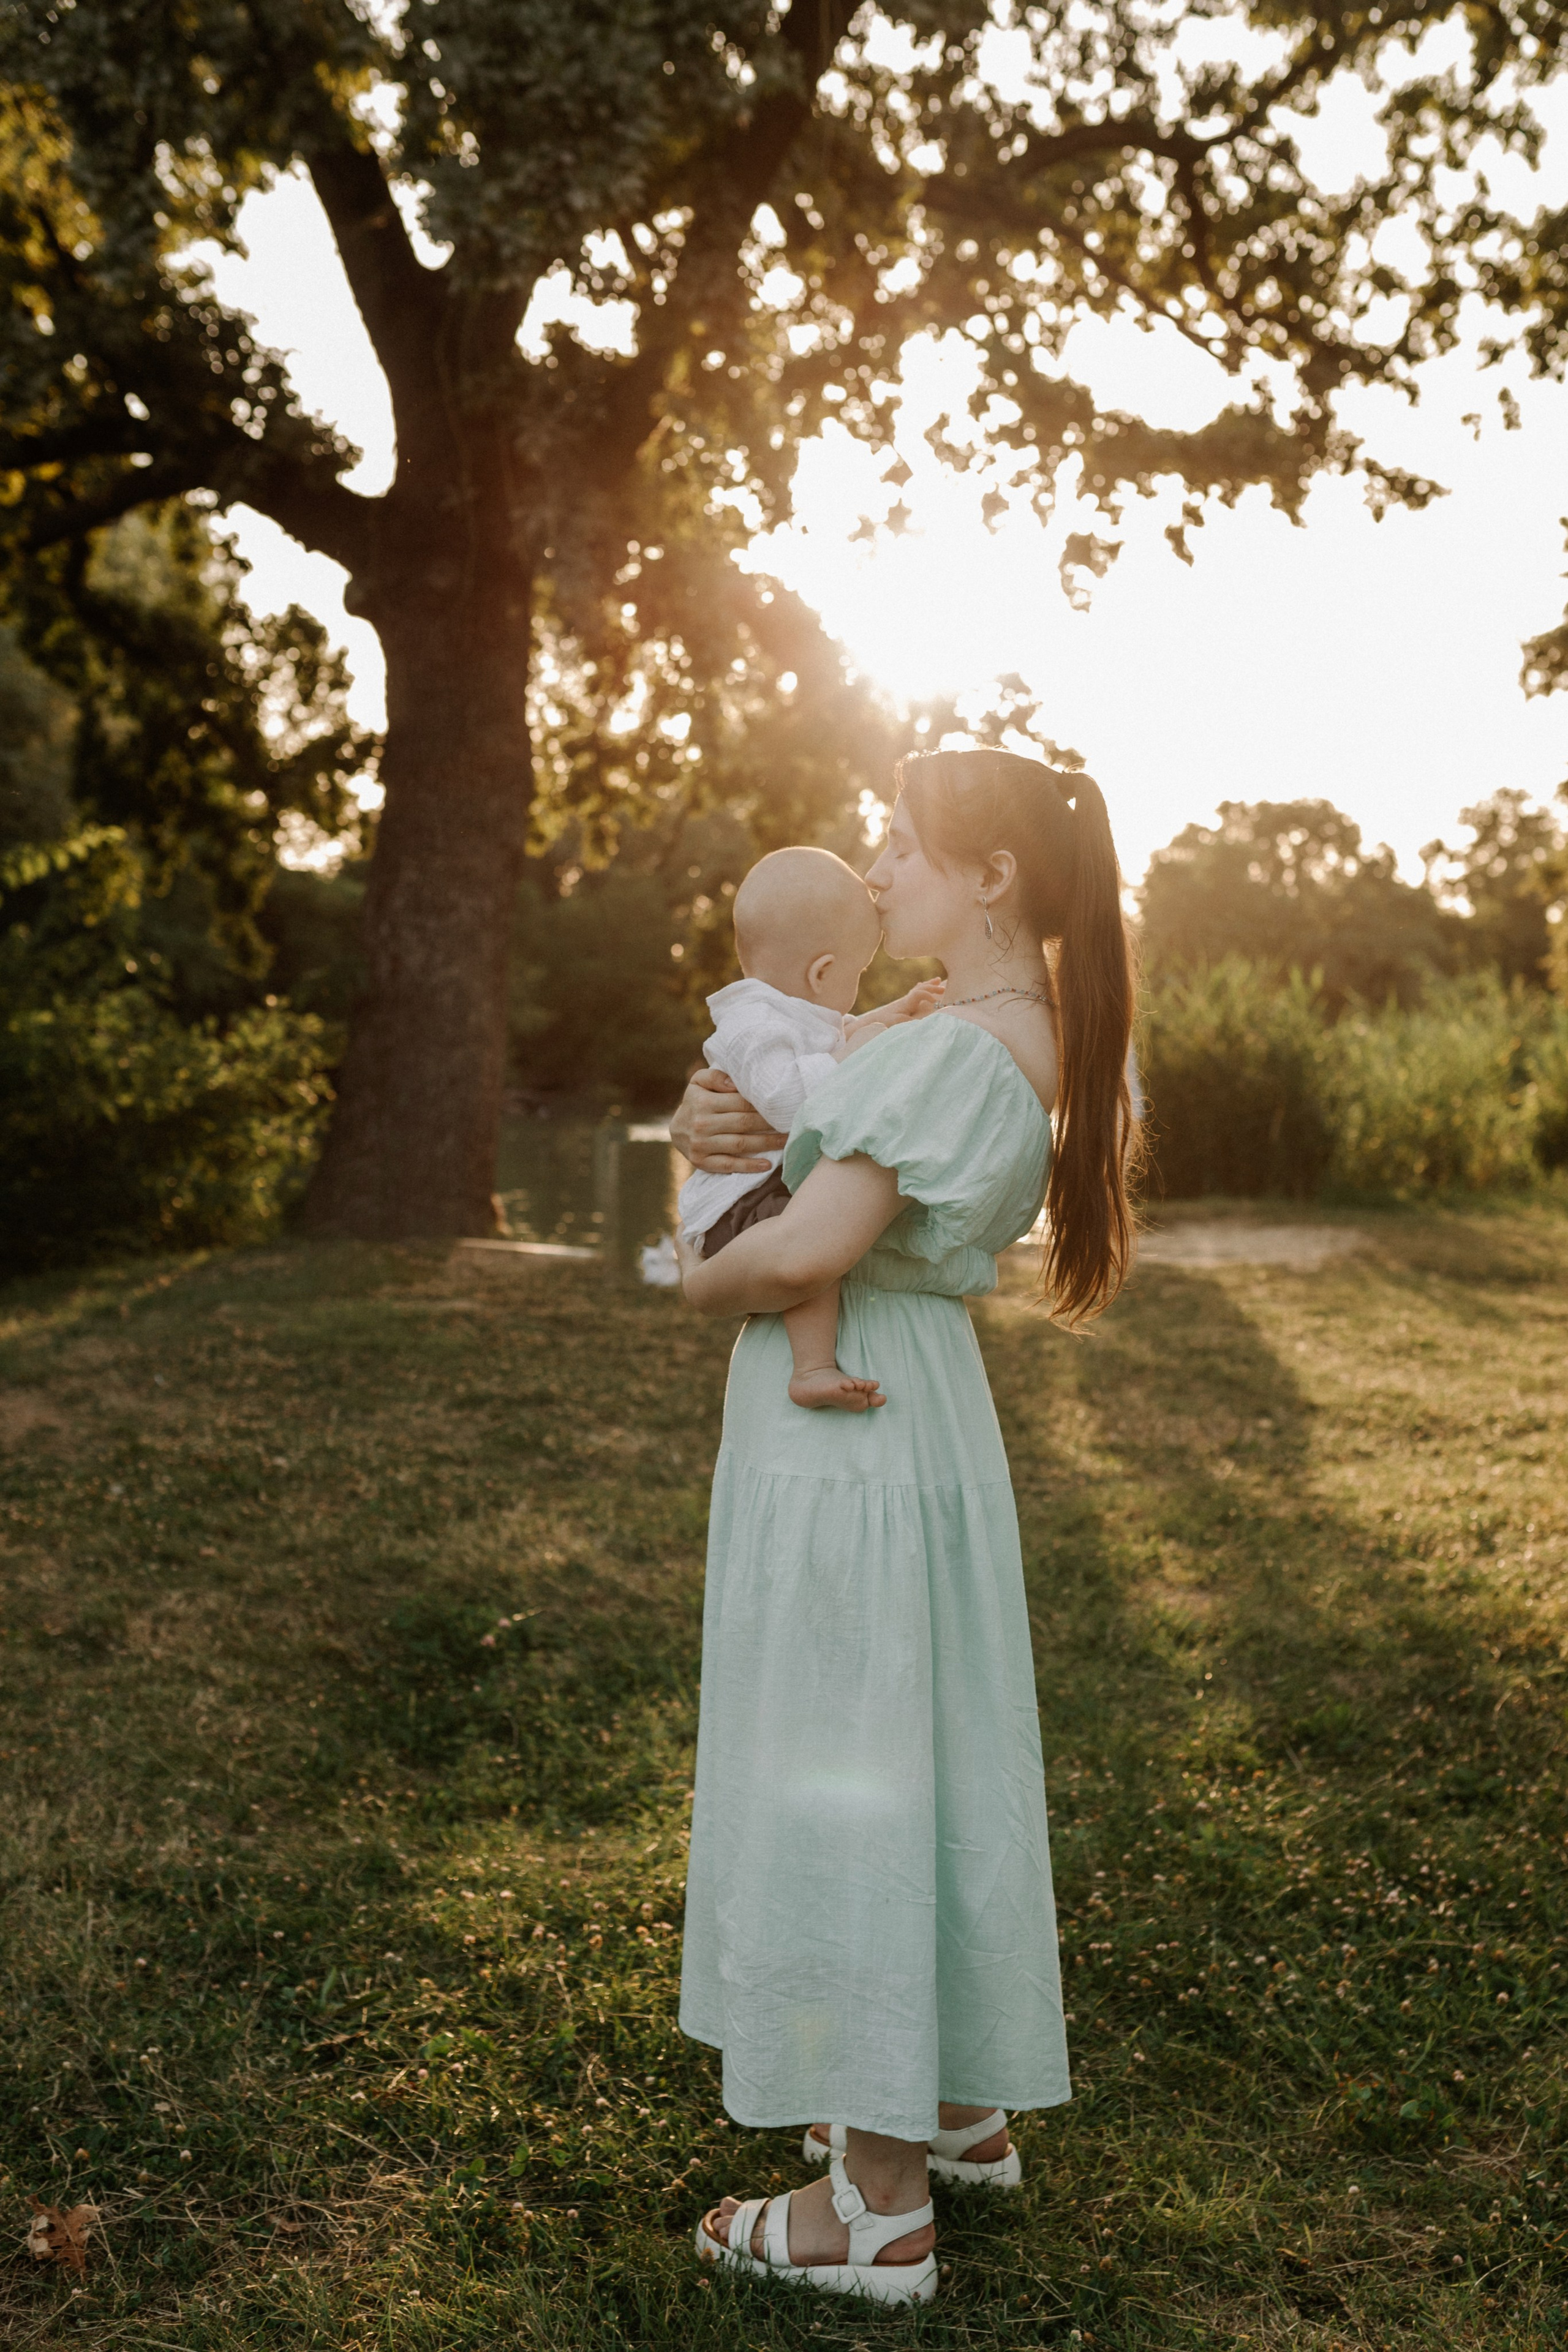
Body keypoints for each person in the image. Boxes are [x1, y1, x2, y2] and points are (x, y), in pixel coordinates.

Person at [670, 747, 1139, 2306]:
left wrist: (691, 1250)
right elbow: (793, 1130)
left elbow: (806, 1239)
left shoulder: (948, 1053)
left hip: (851, 1419)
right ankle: (948, 2103)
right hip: (912, 1404)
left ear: (990, 876)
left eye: (901, 840)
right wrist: (720, 1123)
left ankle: (869, 2206)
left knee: (846, 1764)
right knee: (910, 1742)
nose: (875, 868)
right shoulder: (1025, 1030)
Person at [676, 844, 942, 1411]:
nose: (857, 987)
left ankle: (812, 1360)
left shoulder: (795, 1012)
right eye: (859, 974)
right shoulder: (751, 1026)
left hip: (762, 1188)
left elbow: (843, 1034)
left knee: (807, 1219)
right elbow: (788, 1100)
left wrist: (895, 1012)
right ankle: (812, 1367)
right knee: (804, 1232)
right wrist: (856, 1055)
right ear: (822, 971)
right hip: (739, 1206)